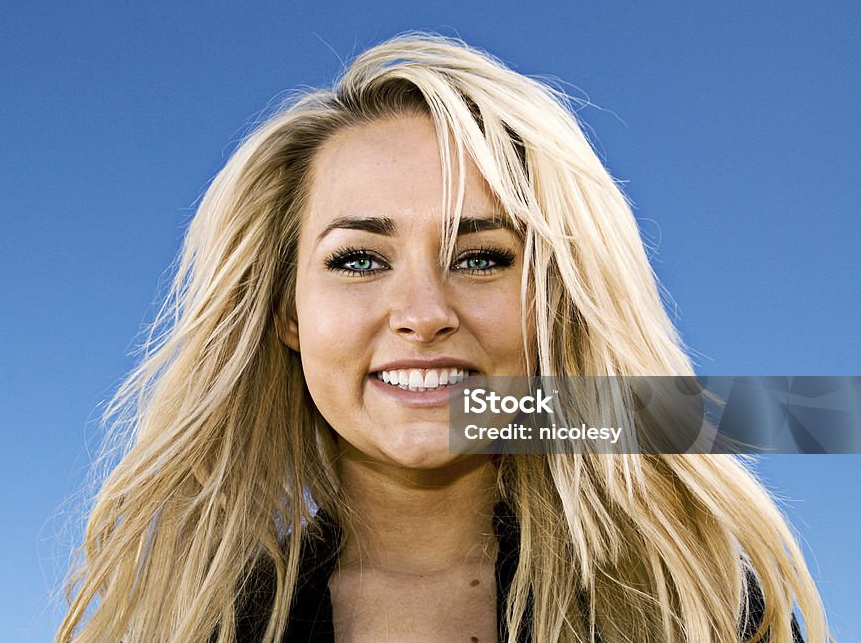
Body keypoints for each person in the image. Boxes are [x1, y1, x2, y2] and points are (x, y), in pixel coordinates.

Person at [56, 34, 828, 642]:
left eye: (481, 257)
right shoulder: (185, 623)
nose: (423, 312)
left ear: (554, 302)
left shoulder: (703, 606)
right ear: (287, 312)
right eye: (359, 259)